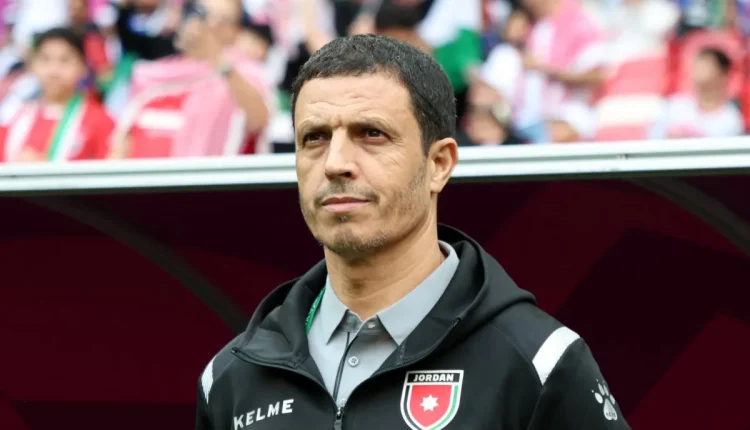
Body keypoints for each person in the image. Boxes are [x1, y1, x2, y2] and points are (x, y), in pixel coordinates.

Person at [196, 35, 629, 429]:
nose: (335, 162)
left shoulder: (539, 363)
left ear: (439, 164)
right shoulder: (231, 378)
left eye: (372, 134)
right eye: (315, 138)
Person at [109, 0, 271, 158]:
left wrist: (216, 59)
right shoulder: (152, 75)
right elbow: (123, 143)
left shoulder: (244, 75)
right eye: (202, 13)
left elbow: (259, 120)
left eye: (223, 19)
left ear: (236, 31)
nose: (209, 24)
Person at [0, 27, 113, 162]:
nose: (54, 71)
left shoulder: (100, 121)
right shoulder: (14, 117)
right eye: (45, 59)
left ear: (83, 67)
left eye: (64, 60)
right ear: (32, 65)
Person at [649, 47, 744, 139]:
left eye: (705, 66)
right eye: (696, 66)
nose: (697, 71)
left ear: (723, 74)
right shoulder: (676, 106)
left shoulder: (732, 119)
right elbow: (653, 138)